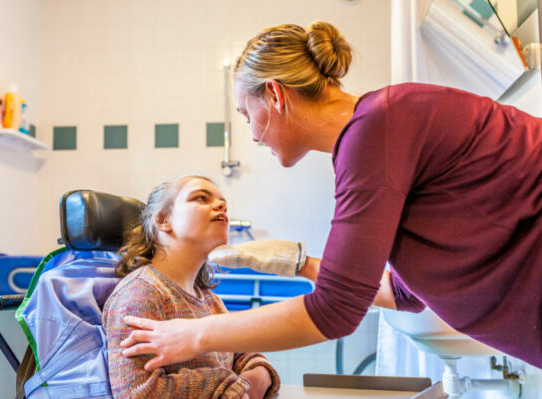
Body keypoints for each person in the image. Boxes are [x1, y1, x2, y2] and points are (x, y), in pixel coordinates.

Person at [118, 22, 542, 370]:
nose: (250, 133)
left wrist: (191, 335)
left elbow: (337, 310)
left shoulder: (376, 130)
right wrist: (299, 264)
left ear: (275, 95)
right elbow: (406, 293)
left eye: (248, 115)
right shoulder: (377, 129)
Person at [102, 174, 280, 398]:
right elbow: (139, 393)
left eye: (222, 201)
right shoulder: (141, 293)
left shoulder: (209, 299)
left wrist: (258, 374)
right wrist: (230, 384)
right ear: (164, 220)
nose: (222, 205)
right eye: (201, 198)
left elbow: (244, 356)